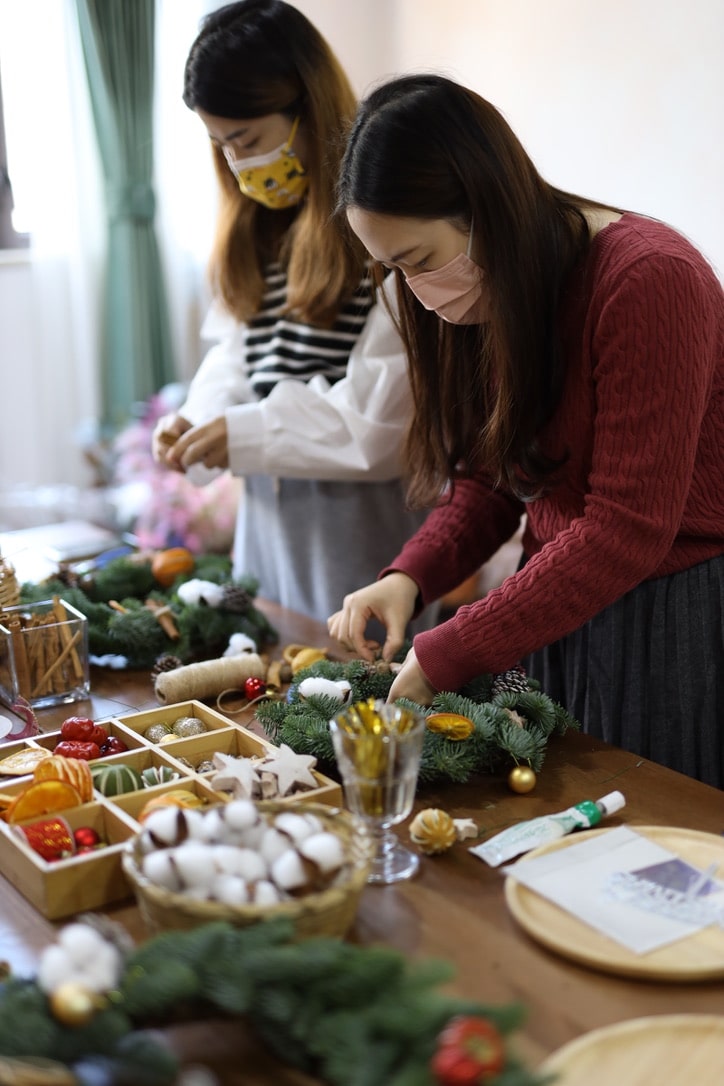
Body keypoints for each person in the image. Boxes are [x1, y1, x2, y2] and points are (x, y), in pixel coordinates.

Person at [328, 73, 724, 789]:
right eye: (392, 269)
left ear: (484, 209)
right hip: (554, 602)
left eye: (417, 261)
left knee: (647, 847)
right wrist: (409, 577)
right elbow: (491, 478)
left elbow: (627, 531)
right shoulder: (492, 288)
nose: (414, 290)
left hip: (666, 620)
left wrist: (454, 645)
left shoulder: (650, 280)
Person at [152, 0, 431, 627]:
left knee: (362, 695)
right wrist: (196, 422)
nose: (239, 164)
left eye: (247, 140)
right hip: (268, 538)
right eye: (221, 145)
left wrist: (243, 432)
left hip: (361, 540)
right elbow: (233, 353)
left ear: (307, 106)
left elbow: (380, 425)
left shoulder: (382, 228)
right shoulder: (251, 233)